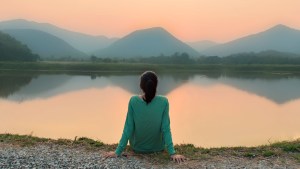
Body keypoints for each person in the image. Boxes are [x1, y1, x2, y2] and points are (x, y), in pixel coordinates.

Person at [104, 71, 186, 163]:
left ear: (141, 86)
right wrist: (172, 153)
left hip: (137, 147)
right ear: (156, 85)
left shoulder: (133, 101)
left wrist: (117, 152)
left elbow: (128, 127)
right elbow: (165, 128)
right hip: (158, 147)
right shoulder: (164, 101)